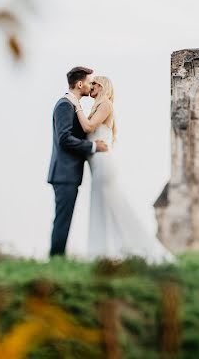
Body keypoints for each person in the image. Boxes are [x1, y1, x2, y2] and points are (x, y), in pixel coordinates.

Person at [66, 75, 175, 263]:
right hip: (97, 165)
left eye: (93, 84)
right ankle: (105, 252)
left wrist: (76, 105)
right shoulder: (97, 106)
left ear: (100, 86)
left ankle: (131, 249)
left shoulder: (105, 104)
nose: (89, 87)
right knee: (103, 206)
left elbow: (89, 126)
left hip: (103, 164)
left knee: (113, 205)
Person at [48, 66, 108, 257]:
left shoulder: (72, 105)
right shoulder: (65, 105)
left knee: (64, 218)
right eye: (90, 82)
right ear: (80, 83)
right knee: (62, 219)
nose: (91, 86)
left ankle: (57, 258)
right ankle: (56, 259)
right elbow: (64, 139)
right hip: (64, 173)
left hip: (69, 173)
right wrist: (92, 147)